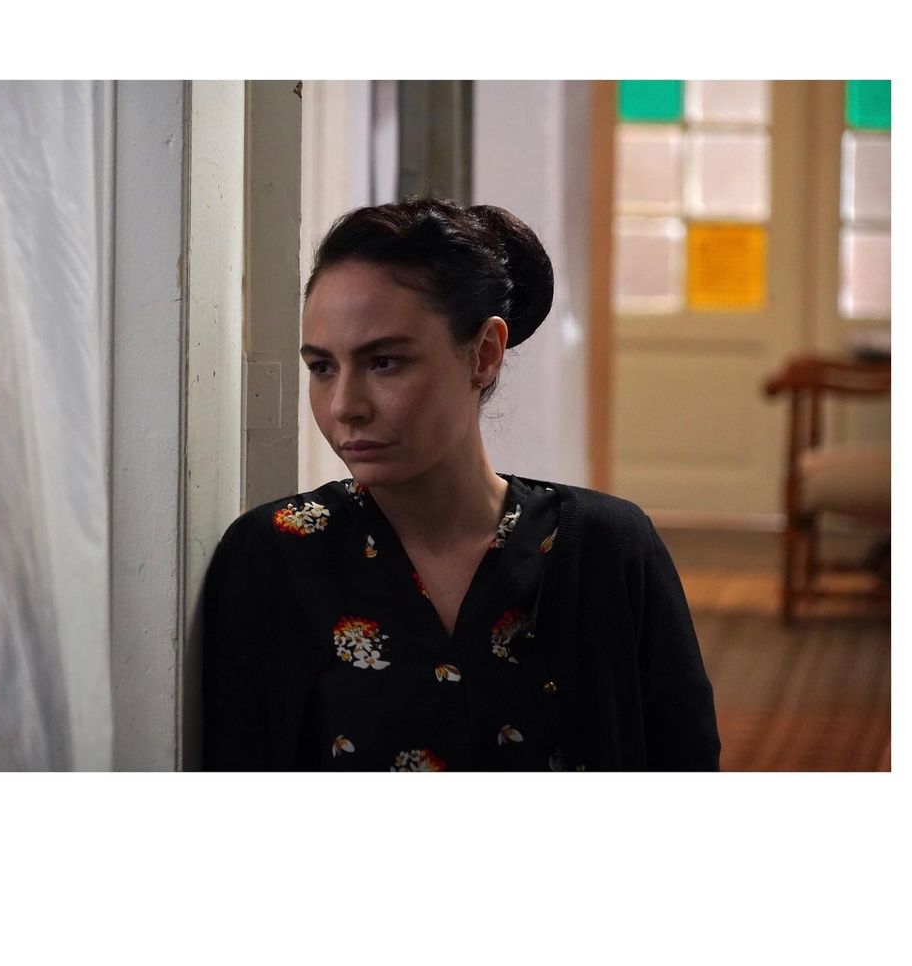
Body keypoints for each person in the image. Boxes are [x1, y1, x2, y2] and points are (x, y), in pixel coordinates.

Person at [201, 197, 720, 771]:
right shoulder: (274, 555)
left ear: (484, 354)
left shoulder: (607, 549)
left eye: (384, 362)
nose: (345, 405)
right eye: (322, 367)